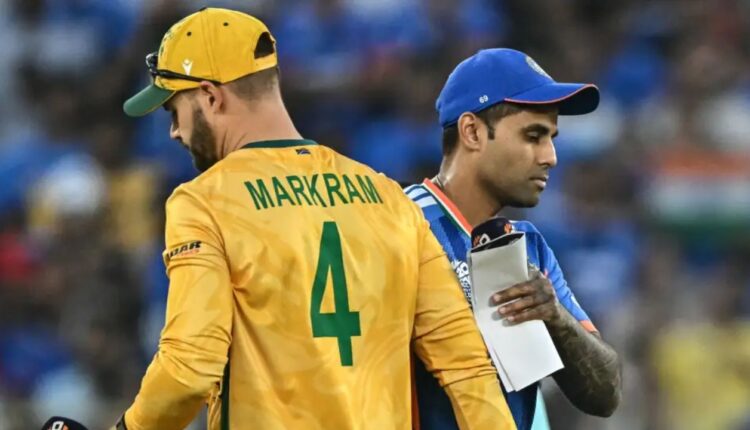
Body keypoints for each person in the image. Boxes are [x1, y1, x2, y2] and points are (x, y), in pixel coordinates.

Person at [113, 8, 516, 430]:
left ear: (211, 97)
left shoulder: (205, 202)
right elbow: (467, 367)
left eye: (173, 110)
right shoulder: (388, 197)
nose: (174, 131)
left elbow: (189, 370)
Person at [405, 48, 622, 430]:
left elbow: (606, 395)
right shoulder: (400, 223)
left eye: (551, 138)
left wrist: (555, 317)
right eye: (533, 136)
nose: (551, 157)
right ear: (472, 132)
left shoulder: (527, 245)